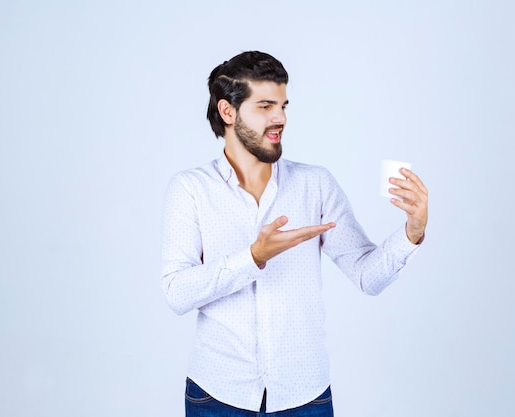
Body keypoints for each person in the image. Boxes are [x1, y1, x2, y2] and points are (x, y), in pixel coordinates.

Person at [161, 51, 428, 417]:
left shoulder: (315, 184)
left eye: (283, 106)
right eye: (266, 106)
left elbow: (368, 276)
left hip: (305, 396)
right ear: (228, 112)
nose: (280, 119)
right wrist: (254, 256)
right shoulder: (190, 189)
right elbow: (177, 293)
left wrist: (412, 231)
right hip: (217, 395)